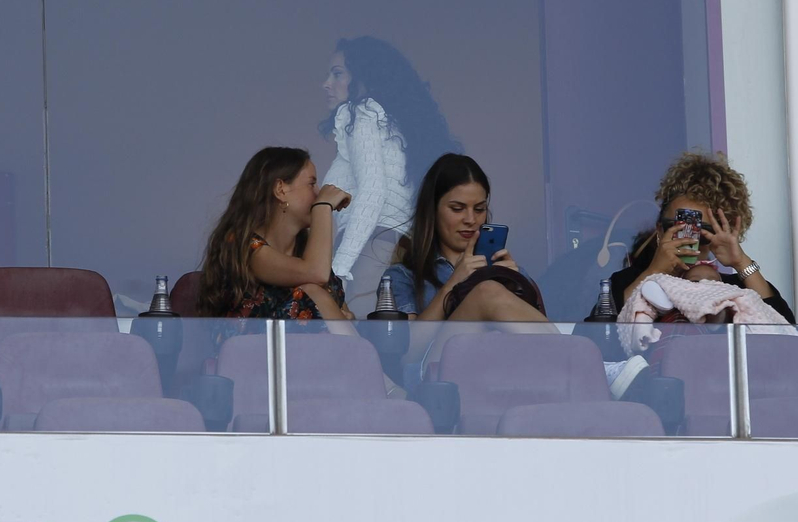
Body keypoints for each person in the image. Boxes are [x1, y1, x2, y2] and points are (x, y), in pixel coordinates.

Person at [319, 37, 460, 291]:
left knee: (357, 329)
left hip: (372, 248)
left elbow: (373, 192)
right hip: (397, 249)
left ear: (362, 77)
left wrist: (337, 271)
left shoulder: (360, 113)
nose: (326, 84)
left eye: (337, 74)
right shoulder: (393, 126)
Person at [608, 150, 795, 324]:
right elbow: (602, 333)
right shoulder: (628, 280)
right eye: (677, 227)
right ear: (660, 230)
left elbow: (785, 332)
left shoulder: (734, 288)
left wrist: (741, 262)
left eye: (701, 232)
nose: (688, 238)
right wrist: (654, 272)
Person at [383, 153, 548, 324]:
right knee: (487, 291)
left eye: (479, 209)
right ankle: (573, 348)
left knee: (491, 289)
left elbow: (534, 344)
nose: (470, 219)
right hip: (444, 350)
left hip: (501, 350)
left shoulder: (512, 272)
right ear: (432, 211)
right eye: (457, 209)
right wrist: (454, 283)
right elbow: (409, 348)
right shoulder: (402, 276)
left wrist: (515, 286)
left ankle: (570, 348)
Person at [197, 146, 355, 324]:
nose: (318, 193)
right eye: (311, 184)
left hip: (314, 350)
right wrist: (323, 206)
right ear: (280, 189)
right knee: (313, 290)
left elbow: (344, 314)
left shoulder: (306, 252)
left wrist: (346, 317)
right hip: (254, 349)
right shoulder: (243, 245)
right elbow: (315, 273)